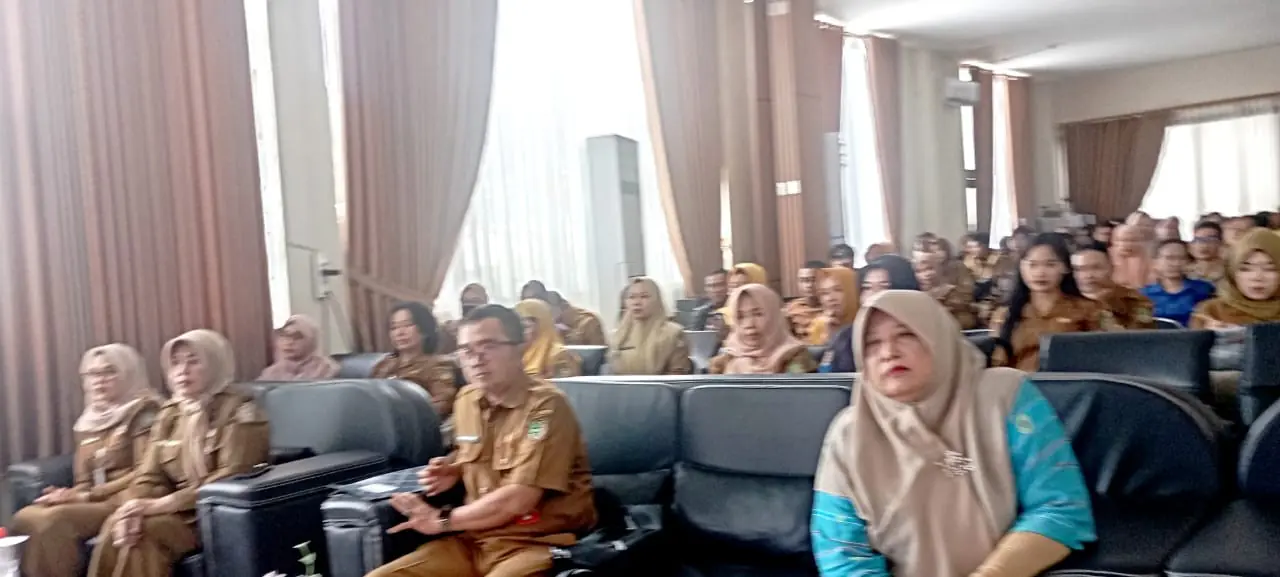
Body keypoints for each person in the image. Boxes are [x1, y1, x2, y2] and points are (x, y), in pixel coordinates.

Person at [811, 290, 1095, 577]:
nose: (889, 353)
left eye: (906, 334)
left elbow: (1060, 507)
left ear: (939, 336)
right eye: (872, 343)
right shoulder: (850, 433)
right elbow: (841, 554)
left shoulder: (1005, 397)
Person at [367, 305, 596, 577]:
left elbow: (518, 498)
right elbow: (474, 452)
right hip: (474, 541)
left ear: (519, 348)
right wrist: (455, 468)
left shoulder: (545, 409)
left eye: (488, 346)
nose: (476, 359)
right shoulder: (467, 400)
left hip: (535, 541)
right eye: (466, 350)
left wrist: (442, 520)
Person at [88, 330, 269, 577]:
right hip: (174, 511)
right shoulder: (170, 413)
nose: (183, 370)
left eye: (193, 361)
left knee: (145, 533)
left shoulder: (241, 410)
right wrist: (133, 507)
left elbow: (232, 474)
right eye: (175, 363)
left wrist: (163, 504)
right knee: (116, 524)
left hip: (213, 513)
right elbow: (149, 475)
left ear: (215, 363)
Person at [10, 345, 161, 577]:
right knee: (27, 517)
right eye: (92, 374)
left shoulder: (146, 412)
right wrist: (66, 494)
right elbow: (84, 480)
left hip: (129, 496)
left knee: (52, 520)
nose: (99, 380)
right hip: (95, 498)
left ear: (129, 373)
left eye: (109, 372)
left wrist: (86, 496)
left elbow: (145, 472)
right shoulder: (89, 420)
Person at [990, 234, 1108, 371]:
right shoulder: (1005, 315)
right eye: (1032, 265)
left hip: (1070, 381)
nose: (1040, 273)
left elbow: (1105, 356)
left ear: (1066, 267)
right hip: (1019, 381)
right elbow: (997, 364)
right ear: (1021, 267)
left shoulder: (1089, 310)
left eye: (1050, 264)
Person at [371, 302, 458, 422]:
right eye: (394, 327)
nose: (400, 333)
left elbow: (441, 405)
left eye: (407, 325)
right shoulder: (384, 364)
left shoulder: (438, 366)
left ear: (425, 329)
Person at [710, 284, 817, 374]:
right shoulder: (723, 361)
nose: (749, 324)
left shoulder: (795, 357)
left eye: (758, 314)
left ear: (774, 316)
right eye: (740, 317)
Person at [1191, 228, 1280, 328]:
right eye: (1245, 269)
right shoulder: (1211, 312)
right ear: (1232, 272)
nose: (1257, 277)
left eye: (1269, 269)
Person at [608, 277, 693, 375]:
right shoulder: (619, 335)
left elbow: (677, 377)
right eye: (631, 297)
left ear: (656, 300)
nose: (636, 302)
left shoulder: (673, 333)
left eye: (644, 296)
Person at [1072, 243, 1154, 330]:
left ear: (1111, 267)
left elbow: (1141, 334)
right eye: (1079, 269)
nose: (1088, 275)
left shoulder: (1134, 301)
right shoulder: (1067, 303)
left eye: (1096, 268)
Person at [1142, 240, 1216, 327]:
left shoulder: (1204, 290)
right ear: (1155, 262)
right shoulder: (1144, 295)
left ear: (1189, 261)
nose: (1176, 263)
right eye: (1169, 258)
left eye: (1182, 258)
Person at [258, 315, 340, 381]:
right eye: (285, 336)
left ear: (311, 341)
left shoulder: (327, 369)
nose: (289, 342)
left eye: (297, 337)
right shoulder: (271, 372)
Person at [514, 299, 582, 378]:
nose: (519, 333)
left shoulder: (560, 356)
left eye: (525, 327)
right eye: (515, 328)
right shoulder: (512, 354)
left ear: (542, 327)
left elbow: (562, 385)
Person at [914, 256, 978, 330]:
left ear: (939, 269)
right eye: (919, 271)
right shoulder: (914, 296)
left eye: (930, 269)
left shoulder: (952, 291)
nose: (926, 274)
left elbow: (967, 320)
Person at [808, 267, 860, 345]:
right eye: (824, 293)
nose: (831, 298)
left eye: (838, 290)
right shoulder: (818, 326)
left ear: (851, 290)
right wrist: (828, 336)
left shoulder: (866, 321)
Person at [787, 260, 827, 340]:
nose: (809, 285)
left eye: (813, 280)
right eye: (803, 281)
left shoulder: (831, 306)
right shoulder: (792, 308)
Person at [1110, 224, 1154, 289]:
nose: (1129, 244)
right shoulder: (1106, 256)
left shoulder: (1148, 258)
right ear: (1114, 241)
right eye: (1124, 240)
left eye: (1134, 240)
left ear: (1141, 242)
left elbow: (1151, 283)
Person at [693, 268, 730, 333]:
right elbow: (695, 336)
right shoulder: (701, 313)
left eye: (719, 285)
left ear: (728, 285)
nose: (715, 290)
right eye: (710, 286)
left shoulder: (737, 309)